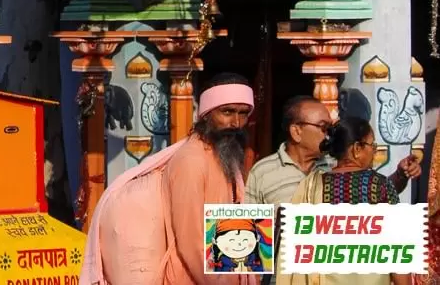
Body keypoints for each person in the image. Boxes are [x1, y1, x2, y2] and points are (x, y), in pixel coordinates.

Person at [80, 72, 257, 285]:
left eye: (243, 113)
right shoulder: (192, 159)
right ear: (207, 113)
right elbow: (191, 241)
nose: (236, 122)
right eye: (227, 112)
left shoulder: (225, 157)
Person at [275, 116, 411, 285]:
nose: (374, 151)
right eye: (372, 145)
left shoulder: (313, 185)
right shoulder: (380, 185)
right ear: (356, 148)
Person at [245, 96, 420, 207]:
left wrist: (400, 176)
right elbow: (250, 228)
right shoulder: (262, 172)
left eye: (331, 128)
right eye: (324, 127)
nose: (330, 135)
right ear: (296, 131)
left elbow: (369, 191)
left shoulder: (335, 165)